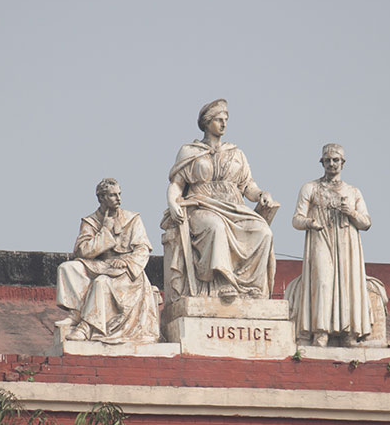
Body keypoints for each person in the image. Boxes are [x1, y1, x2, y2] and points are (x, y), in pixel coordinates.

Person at [161, 99, 279, 302]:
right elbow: (177, 185)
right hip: (201, 205)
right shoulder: (190, 152)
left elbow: (248, 186)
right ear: (207, 123)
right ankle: (224, 281)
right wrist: (172, 203)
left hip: (235, 207)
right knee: (215, 227)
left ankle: (253, 288)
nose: (224, 124)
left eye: (226, 120)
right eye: (218, 119)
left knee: (264, 232)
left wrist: (261, 195)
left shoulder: (236, 153)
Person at [288, 143, 372, 347]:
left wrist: (350, 212)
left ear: (343, 163)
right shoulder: (310, 188)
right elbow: (296, 219)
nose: (332, 164)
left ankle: (348, 333)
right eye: (328, 160)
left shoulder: (353, 192)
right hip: (320, 237)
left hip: (346, 242)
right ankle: (321, 331)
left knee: (347, 283)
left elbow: (366, 223)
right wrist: (310, 223)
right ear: (322, 162)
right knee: (322, 282)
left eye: (336, 160)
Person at [56, 178, 159, 344]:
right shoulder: (90, 221)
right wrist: (104, 230)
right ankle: (76, 314)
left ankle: (86, 327)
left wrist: (126, 261)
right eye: (112, 195)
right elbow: (83, 251)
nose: (118, 198)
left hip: (126, 270)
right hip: (101, 264)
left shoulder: (132, 219)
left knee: (101, 283)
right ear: (101, 198)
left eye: (119, 194)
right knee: (66, 268)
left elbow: (143, 249)